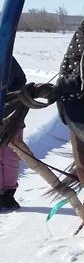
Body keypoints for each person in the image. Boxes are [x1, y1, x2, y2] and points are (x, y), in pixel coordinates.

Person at [1, 57, 27, 211]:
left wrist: (7, 91)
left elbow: (21, 80)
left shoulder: (6, 57)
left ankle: (9, 194)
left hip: (12, 116)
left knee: (11, 156)